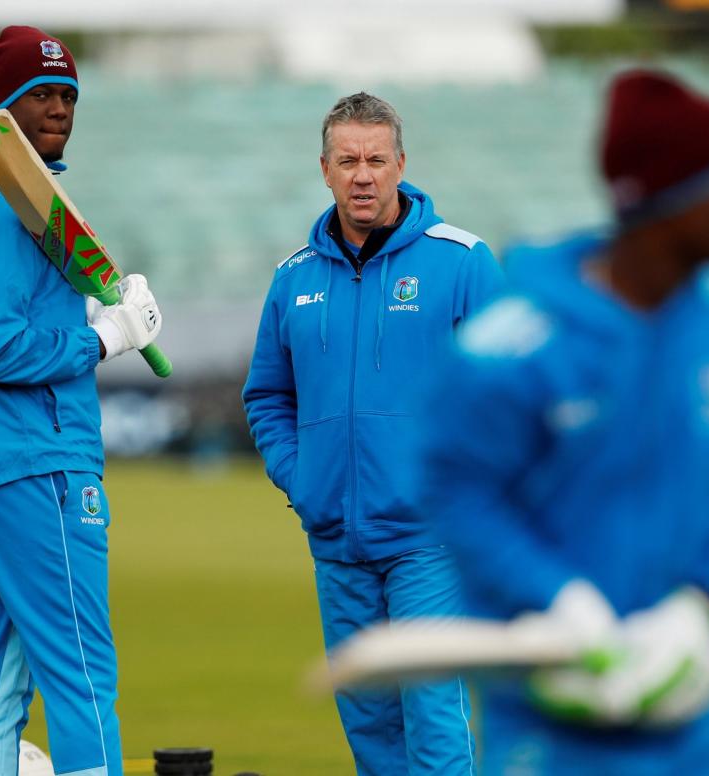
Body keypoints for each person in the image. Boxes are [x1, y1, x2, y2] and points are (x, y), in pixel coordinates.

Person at [421, 70, 709, 775]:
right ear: (668, 201)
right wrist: (557, 599)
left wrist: (700, 611)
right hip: (549, 728)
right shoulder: (511, 343)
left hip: (700, 725)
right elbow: (458, 496)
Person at [0, 26, 162, 776]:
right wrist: (104, 339)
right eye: (38, 95)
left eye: (66, 94)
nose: (57, 108)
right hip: (30, 459)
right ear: (2, 104)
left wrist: (85, 316)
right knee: (81, 669)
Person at [242, 91, 502, 775]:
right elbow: (267, 395)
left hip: (430, 540)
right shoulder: (291, 278)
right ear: (324, 168)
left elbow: (508, 392)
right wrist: (302, 480)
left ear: (400, 165)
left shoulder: (463, 262)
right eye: (348, 160)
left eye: (376, 160)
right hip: (335, 542)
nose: (363, 175)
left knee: (432, 713)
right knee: (369, 726)